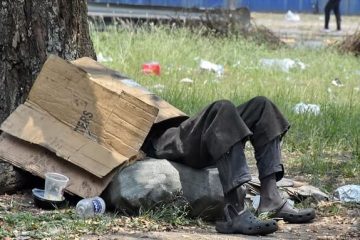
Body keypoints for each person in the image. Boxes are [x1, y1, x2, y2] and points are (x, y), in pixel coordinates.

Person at [142, 96, 316, 235]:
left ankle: (271, 199)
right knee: (222, 108)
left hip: (180, 126)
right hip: (160, 139)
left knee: (262, 106)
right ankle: (234, 212)